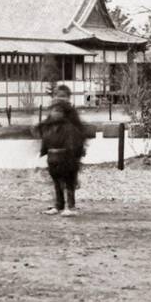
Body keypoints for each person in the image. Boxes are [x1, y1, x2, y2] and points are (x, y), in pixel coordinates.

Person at [35, 84, 87, 216]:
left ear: (68, 98)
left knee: (69, 179)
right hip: (53, 153)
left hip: (68, 153)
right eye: (58, 96)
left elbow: (79, 131)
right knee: (56, 180)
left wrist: (78, 151)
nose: (60, 99)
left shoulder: (71, 113)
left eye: (63, 96)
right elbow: (45, 128)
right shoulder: (52, 113)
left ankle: (71, 206)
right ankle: (58, 205)